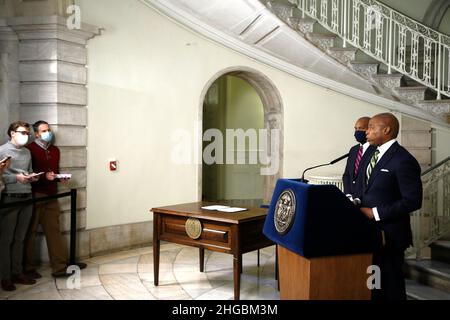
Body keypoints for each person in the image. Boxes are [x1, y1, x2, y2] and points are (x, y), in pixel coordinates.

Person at [360, 113, 423, 300]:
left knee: (391, 287)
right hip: (370, 234)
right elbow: (367, 188)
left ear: (386, 130)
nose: (367, 132)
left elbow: (412, 200)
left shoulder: (404, 160)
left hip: (391, 235)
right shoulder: (372, 153)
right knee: (375, 285)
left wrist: (375, 213)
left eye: (371, 127)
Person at [24, 121, 69, 279]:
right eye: (44, 130)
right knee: (30, 231)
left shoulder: (55, 150)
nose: (48, 132)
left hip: (52, 195)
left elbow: (54, 172)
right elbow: (27, 173)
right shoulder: (29, 149)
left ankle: (59, 267)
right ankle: (28, 268)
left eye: (48, 130)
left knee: (54, 231)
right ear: (36, 134)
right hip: (35, 195)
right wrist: (44, 176)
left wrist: (58, 178)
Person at [0, 121, 39, 291]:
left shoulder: (27, 152)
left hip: (27, 195)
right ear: (12, 133)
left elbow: (28, 171)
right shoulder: (2, 150)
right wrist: (15, 178)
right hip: (10, 197)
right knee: (6, 240)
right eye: (22, 132)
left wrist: (32, 177)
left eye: (27, 133)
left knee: (20, 238)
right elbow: (0, 176)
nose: (25, 135)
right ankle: (5, 277)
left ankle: (17, 272)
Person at [342, 117, 375, 204]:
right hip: (351, 200)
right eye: (356, 129)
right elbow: (347, 175)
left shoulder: (377, 150)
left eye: (360, 128)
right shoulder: (353, 149)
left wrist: (359, 199)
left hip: (367, 201)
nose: (357, 132)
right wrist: (348, 195)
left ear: (369, 129)